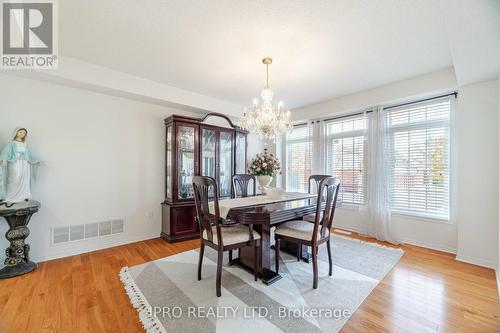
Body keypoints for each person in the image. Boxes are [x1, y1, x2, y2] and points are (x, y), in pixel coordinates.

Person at [0, 128, 42, 204]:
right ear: (16, 132)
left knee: (25, 179)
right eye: (21, 132)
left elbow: (29, 155)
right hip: (15, 163)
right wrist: (4, 159)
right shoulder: (11, 143)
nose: (22, 134)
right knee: (15, 179)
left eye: (24, 133)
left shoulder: (25, 144)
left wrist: (36, 160)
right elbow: (5, 153)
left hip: (25, 164)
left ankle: (24, 195)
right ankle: (11, 196)